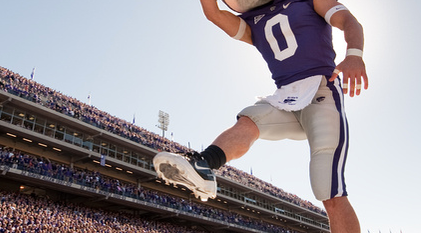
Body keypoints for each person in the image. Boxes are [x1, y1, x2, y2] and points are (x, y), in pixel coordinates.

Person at [153, 0, 367, 232]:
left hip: (321, 90)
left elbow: (349, 22)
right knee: (250, 119)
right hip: (285, 97)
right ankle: (204, 166)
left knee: (329, 190)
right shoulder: (251, 21)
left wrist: (354, 54)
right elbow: (213, 13)